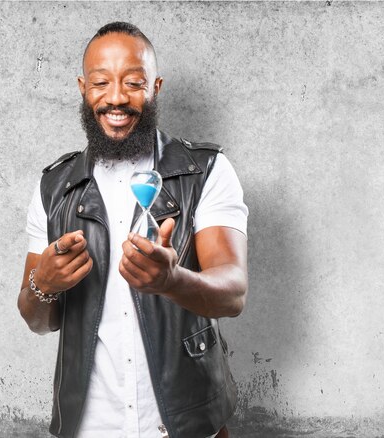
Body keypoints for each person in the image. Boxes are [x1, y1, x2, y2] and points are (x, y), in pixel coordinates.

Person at [17, 22, 248, 438]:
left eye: (134, 82)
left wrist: (172, 281)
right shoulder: (53, 188)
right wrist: (43, 284)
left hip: (188, 422)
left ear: (155, 86)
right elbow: (36, 319)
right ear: (83, 89)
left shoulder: (206, 171)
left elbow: (233, 294)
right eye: (101, 82)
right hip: (89, 426)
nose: (117, 97)